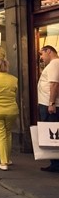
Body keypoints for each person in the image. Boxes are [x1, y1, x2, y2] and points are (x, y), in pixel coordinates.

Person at [37, 45, 59, 173]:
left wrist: (51, 103)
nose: (41, 57)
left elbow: (54, 84)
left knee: (52, 134)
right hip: (48, 103)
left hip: (49, 105)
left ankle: (56, 164)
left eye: (42, 54)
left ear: (48, 51)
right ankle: (54, 162)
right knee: (52, 133)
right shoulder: (54, 64)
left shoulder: (54, 64)